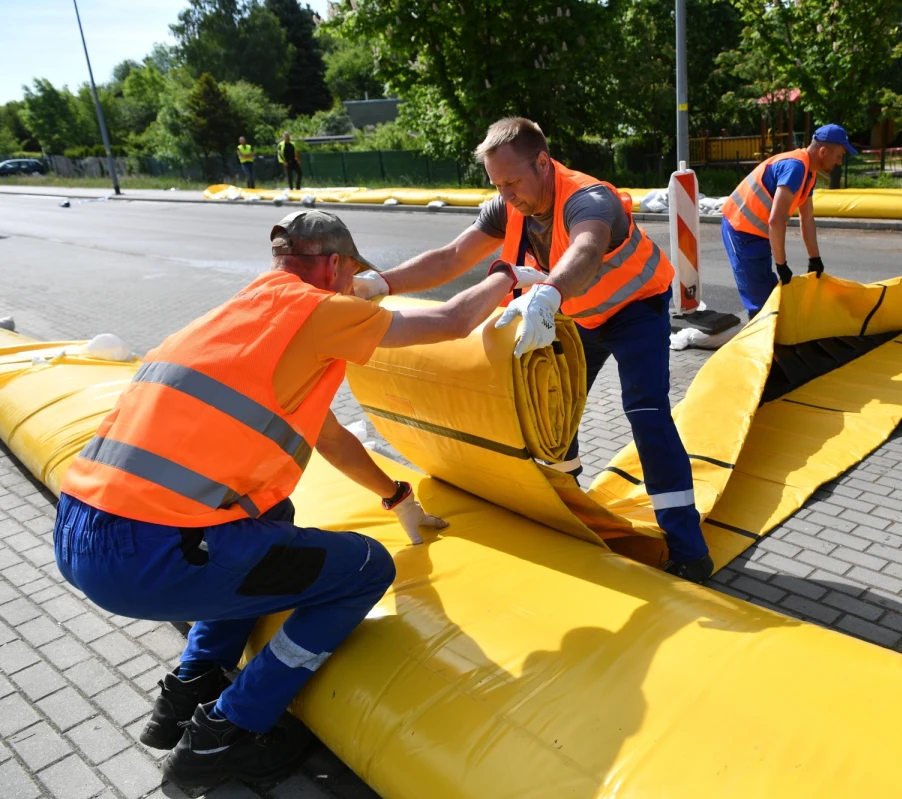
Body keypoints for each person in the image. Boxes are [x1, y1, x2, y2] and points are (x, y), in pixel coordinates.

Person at [53, 210, 528, 788]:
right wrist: (510, 275)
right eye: (353, 276)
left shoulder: (242, 316)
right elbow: (455, 320)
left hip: (78, 530)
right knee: (364, 568)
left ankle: (192, 687)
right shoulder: (318, 310)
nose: (357, 292)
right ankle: (227, 732)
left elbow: (330, 438)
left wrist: (397, 495)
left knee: (274, 517)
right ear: (332, 266)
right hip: (147, 557)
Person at [353, 117, 714, 583]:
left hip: (634, 312)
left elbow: (585, 248)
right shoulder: (509, 204)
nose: (506, 195)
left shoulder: (589, 198)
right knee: (552, 415)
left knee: (646, 413)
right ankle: (574, 517)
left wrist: (548, 294)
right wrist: (382, 282)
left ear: (543, 162)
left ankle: (689, 550)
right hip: (573, 313)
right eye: (497, 185)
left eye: (512, 182)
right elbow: (453, 256)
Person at [720, 125, 856, 317]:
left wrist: (814, 259)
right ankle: (761, 344)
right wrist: (781, 264)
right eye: (839, 156)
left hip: (756, 234)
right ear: (823, 151)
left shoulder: (810, 172)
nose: (840, 162)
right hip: (739, 229)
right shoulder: (796, 168)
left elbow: (807, 218)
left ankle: (770, 342)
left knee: (770, 300)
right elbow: (776, 221)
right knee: (762, 305)